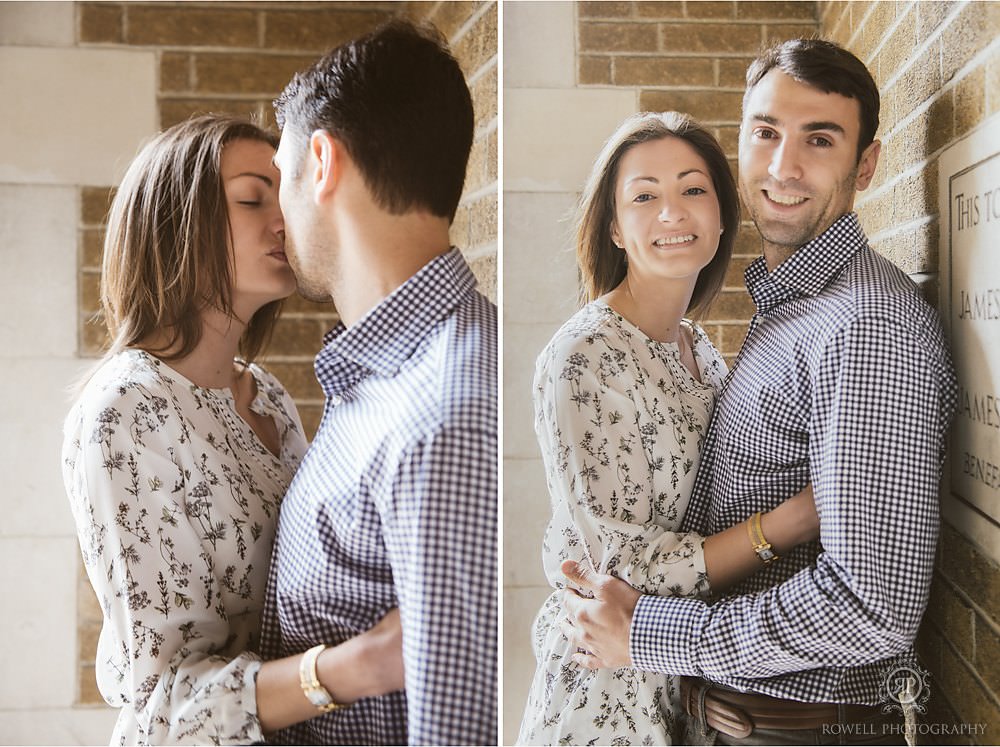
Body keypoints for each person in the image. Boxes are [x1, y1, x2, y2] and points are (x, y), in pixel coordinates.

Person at [562, 39, 958, 747]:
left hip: (797, 732)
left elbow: (872, 606)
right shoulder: (786, 310)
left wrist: (653, 634)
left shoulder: (865, 327)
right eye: (766, 132)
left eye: (820, 139)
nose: (783, 166)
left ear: (865, 164)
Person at [62, 114, 404, 746]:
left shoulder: (267, 396)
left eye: (286, 194)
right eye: (252, 197)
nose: (286, 218)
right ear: (176, 222)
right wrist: (362, 667)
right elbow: (162, 702)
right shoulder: (126, 410)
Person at [516, 111, 821, 746]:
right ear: (615, 228)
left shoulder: (701, 350)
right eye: (645, 196)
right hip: (605, 689)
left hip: (688, 670)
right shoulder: (583, 356)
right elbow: (616, 560)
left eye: (692, 189)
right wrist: (791, 522)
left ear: (720, 215)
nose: (672, 213)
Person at [259, 20, 497, 746]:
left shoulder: (441, 419)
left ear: (322, 160)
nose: (276, 210)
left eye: (278, 176)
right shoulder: (385, 380)